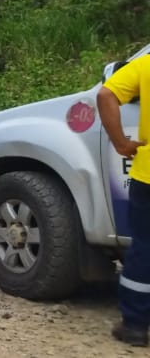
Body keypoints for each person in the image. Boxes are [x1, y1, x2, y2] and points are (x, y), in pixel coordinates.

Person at [99, 57, 150, 347]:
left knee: (145, 247)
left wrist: (120, 142)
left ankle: (135, 326)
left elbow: (106, 94)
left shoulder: (146, 65)